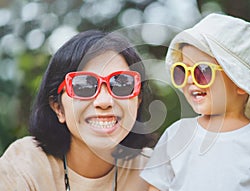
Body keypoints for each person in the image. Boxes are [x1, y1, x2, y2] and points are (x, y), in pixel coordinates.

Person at [140, 13, 250, 191]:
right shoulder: (176, 135)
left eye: (202, 71)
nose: (190, 80)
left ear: (241, 82)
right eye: (182, 71)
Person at [0, 30, 154, 190]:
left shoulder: (155, 171)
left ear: (138, 100)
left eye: (122, 84)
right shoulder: (25, 163)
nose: (104, 102)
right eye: (84, 86)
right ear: (58, 107)